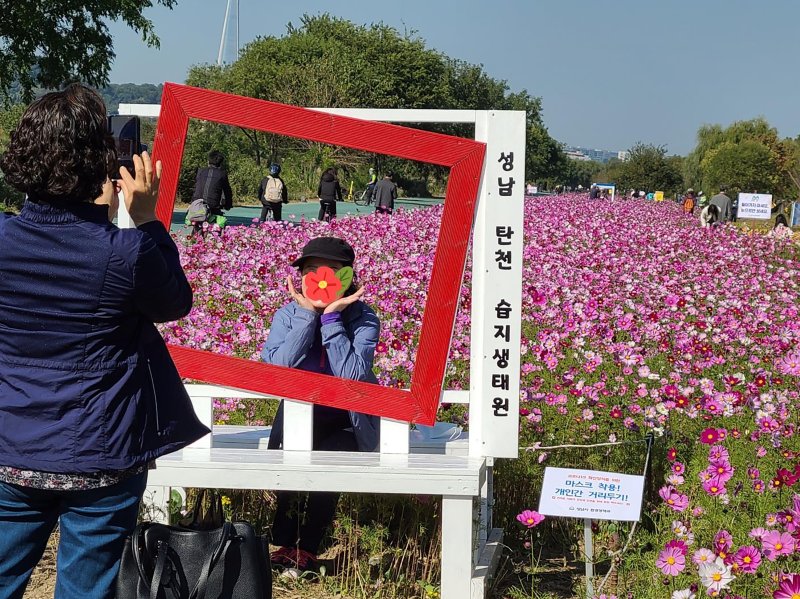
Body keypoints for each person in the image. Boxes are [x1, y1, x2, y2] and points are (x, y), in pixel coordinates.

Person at [0, 84, 209, 599]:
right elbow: (175, 303)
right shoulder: (125, 254)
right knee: (85, 590)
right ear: (103, 163)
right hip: (100, 453)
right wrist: (146, 217)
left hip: (9, 448)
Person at [261, 237, 380, 575]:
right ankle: (282, 545)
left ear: (346, 276)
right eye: (309, 271)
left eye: (326, 272)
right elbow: (277, 371)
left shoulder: (364, 319)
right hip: (297, 414)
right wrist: (307, 316)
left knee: (329, 468)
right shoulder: (287, 316)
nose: (318, 279)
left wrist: (331, 320)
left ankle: (308, 549)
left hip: (346, 419)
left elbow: (353, 376)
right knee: (292, 468)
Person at [191, 149, 233, 235]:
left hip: (196, 203)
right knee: (218, 224)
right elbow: (227, 191)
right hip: (213, 205)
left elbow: (196, 187)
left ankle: (193, 238)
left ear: (208, 161)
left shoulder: (201, 171)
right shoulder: (222, 174)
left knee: (195, 221)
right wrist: (228, 204)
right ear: (220, 163)